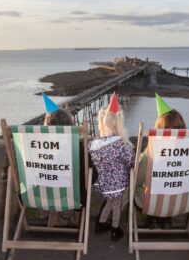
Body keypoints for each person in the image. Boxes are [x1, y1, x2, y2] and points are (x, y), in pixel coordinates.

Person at [135, 93, 186, 229]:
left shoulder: (150, 155)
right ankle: (165, 219)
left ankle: (152, 218)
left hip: (151, 204)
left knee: (137, 185)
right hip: (180, 203)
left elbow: (137, 180)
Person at [89, 93, 135, 241]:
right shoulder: (121, 144)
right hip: (118, 183)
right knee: (117, 205)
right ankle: (115, 229)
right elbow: (131, 161)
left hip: (103, 183)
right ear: (119, 123)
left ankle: (100, 224)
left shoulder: (95, 144)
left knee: (109, 202)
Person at [42, 94, 86, 228]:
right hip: (73, 196)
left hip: (42, 194)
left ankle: (54, 216)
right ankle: (77, 216)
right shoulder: (76, 146)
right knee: (84, 178)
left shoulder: (38, 149)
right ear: (69, 125)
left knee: (49, 179)